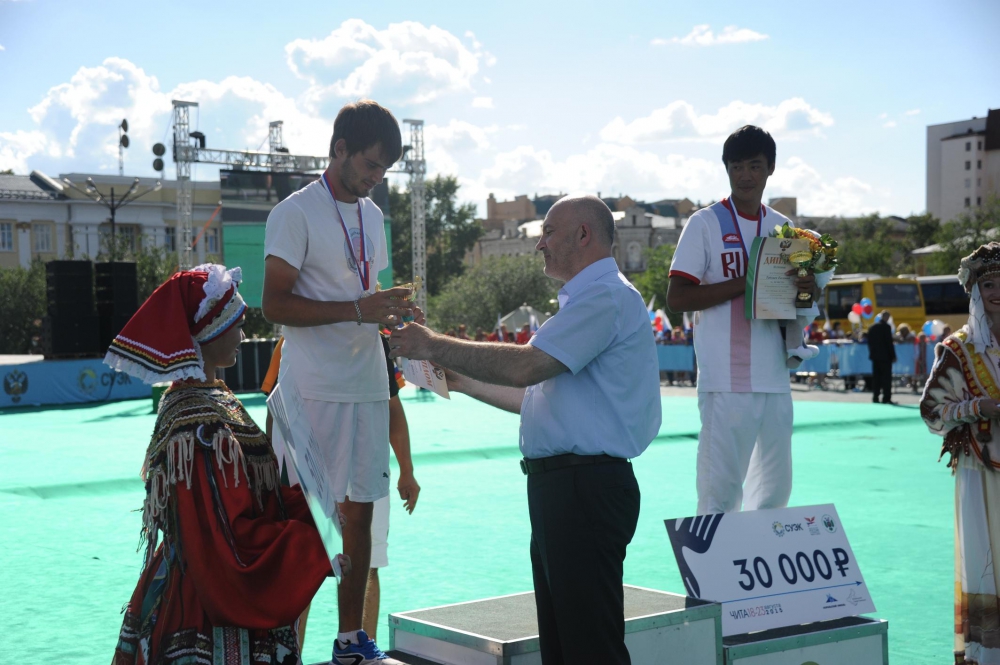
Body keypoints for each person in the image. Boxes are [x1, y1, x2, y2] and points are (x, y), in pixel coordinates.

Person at [389, 194, 661, 665]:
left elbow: (527, 368)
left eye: (549, 232)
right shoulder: (592, 299)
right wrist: (458, 379)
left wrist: (434, 344)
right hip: (571, 487)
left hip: (583, 487)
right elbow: (535, 398)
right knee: (568, 645)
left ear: (584, 234)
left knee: (588, 648)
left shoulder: (605, 297)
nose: (540, 244)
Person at [107, 265, 334, 665]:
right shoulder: (198, 424)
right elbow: (223, 539)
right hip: (205, 597)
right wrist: (312, 544)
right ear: (208, 333)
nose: (242, 337)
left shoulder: (213, 398)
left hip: (196, 582)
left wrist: (317, 511)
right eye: (236, 326)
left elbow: (253, 496)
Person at [262, 99, 413, 665]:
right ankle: (283, 651)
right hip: (312, 390)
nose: (377, 178)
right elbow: (273, 304)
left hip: (367, 383)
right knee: (303, 528)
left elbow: (364, 299)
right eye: (371, 165)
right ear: (340, 149)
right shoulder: (295, 212)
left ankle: (351, 642)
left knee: (363, 516)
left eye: (385, 170)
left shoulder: (372, 217)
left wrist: (394, 314)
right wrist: (357, 309)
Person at [666, 125, 818, 514]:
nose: (745, 175)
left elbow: (795, 303)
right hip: (726, 379)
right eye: (736, 166)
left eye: (754, 166)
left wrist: (807, 289)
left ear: (770, 169)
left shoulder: (784, 229)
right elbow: (677, 298)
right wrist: (748, 281)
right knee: (720, 495)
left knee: (774, 495)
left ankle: (759, 554)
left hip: (775, 378)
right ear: (726, 169)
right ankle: (714, 556)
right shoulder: (705, 223)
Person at [261, 333, 421, 646]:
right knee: (299, 564)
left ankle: (361, 647)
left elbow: (392, 406)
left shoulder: (376, 342)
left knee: (367, 565)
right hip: (307, 471)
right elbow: (276, 408)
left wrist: (407, 470)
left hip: (363, 468)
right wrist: (274, 467)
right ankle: (291, 654)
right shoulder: (293, 339)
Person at [920, 242, 1000, 665]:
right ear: (975, 290)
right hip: (980, 469)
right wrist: (975, 407)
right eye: (989, 284)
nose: (997, 292)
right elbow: (931, 411)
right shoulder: (959, 347)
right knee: (986, 558)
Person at [867, 310, 896, 404]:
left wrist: (872, 353)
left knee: (876, 377)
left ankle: (875, 397)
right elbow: (889, 343)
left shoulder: (872, 327)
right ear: (886, 317)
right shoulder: (886, 327)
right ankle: (886, 397)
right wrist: (893, 355)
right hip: (885, 357)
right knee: (886, 378)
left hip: (875, 356)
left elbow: (869, 342)